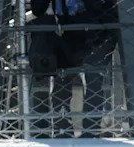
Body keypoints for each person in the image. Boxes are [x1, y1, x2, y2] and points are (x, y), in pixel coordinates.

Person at [26, 0, 119, 137]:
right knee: (62, 78)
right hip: (66, 29)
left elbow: (103, 7)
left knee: (94, 78)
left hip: (98, 29)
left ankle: (90, 131)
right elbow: (38, 9)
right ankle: (62, 128)